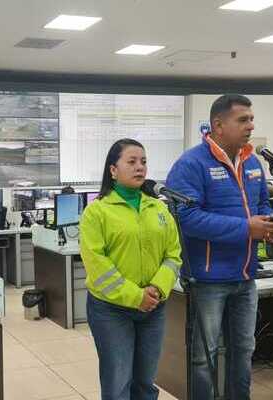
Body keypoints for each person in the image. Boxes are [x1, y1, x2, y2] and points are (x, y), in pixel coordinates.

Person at [166, 94, 273, 400]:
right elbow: (186, 218)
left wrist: (268, 229)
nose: (251, 125)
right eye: (243, 120)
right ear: (218, 125)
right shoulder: (191, 163)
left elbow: (261, 204)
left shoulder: (253, 162)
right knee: (203, 355)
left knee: (243, 350)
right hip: (207, 279)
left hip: (245, 275)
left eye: (251, 119)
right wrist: (247, 228)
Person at [79, 138, 182, 400]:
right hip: (112, 311)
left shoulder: (158, 208)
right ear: (113, 170)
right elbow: (98, 266)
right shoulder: (97, 213)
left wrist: (157, 289)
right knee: (118, 385)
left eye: (144, 162)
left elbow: (173, 254)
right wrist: (136, 297)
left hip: (153, 307)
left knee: (146, 384)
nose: (140, 168)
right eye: (132, 162)